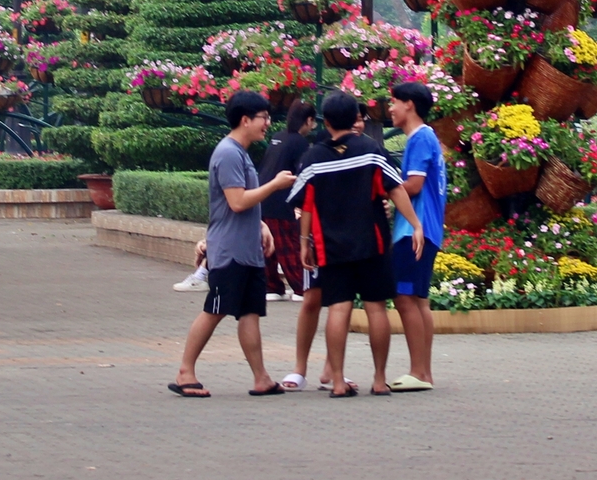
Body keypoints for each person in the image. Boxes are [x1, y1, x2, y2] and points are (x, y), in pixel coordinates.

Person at [287, 92, 420, 398]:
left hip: (331, 247)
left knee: (338, 308)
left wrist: (304, 243)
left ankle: (336, 382)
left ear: (328, 121)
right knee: (376, 309)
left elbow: (306, 205)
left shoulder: (313, 158)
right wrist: (415, 224)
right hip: (371, 243)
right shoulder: (371, 151)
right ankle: (379, 379)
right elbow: (395, 189)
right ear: (355, 118)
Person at [168, 91, 291, 398]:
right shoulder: (227, 153)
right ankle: (186, 372)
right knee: (215, 309)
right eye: (263, 117)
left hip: (247, 251)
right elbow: (237, 202)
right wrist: (274, 185)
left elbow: (242, 201)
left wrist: (261, 225)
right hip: (230, 251)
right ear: (245, 120)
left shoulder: (241, 153)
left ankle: (261, 378)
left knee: (250, 313)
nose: (267, 123)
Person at [387, 82, 445, 393]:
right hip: (428, 229)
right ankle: (423, 372)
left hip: (414, 231)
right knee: (419, 301)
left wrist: (385, 191)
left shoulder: (420, 138)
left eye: (394, 101)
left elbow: (414, 185)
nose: (390, 107)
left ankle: (418, 372)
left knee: (405, 298)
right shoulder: (425, 137)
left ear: (409, 104)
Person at [258, 101, 315, 301]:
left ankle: (272, 286)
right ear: (308, 120)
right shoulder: (299, 142)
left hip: (264, 200)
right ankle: (301, 288)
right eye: (312, 122)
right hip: (282, 203)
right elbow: (303, 175)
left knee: (268, 248)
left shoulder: (278, 137)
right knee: (289, 246)